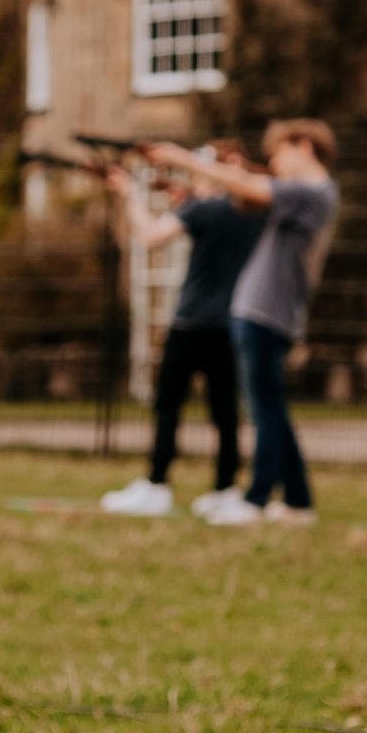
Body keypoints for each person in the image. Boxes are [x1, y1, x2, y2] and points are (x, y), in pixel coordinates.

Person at [149, 122, 339, 526]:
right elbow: (243, 199)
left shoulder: (311, 192)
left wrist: (185, 160)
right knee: (273, 411)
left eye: (278, 153)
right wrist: (196, 191)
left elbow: (252, 188)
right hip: (260, 310)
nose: (274, 163)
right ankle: (298, 502)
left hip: (266, 312)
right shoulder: (303, 194)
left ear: (304, 146)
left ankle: (255, 499)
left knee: (265, 412)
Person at [98, 144, 262, 518]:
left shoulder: (202, 209)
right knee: (225, 413)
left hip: (191, 324)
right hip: (233, 324)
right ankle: (225, 488)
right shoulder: (253, 211)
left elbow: (150, 236)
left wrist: (130, 194)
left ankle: (157, 483)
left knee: (168, 406)